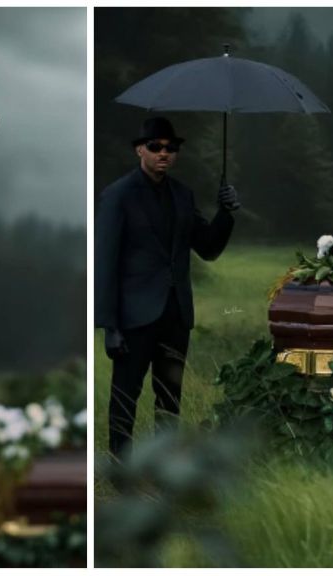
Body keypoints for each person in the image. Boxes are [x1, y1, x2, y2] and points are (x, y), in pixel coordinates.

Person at [95, 116, 238, 459]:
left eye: (171, 148)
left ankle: (163, 466)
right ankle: (120, 464)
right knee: (126, 394)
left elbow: (208, 248)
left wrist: (227, 212)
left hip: (175, 314)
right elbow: (104, 262)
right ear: (139, 150)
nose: (164, 153)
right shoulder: (117, 196)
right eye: (156, 147)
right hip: (134, 318)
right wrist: (110, 326)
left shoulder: (182, 195)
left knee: (170, 395)